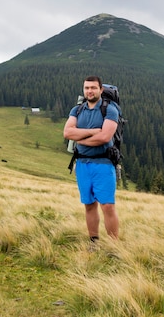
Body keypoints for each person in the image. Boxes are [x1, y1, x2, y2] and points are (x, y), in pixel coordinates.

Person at [63, 75, 120, 242]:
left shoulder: (109, 110)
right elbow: (67, 133)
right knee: (89, 204)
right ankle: (93, 241)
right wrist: (94, 131)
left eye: (93, 88)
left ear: (101, 90)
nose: (89, 91)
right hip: (82, 163)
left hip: (103, 163)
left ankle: (113, 245)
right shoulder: (77, 110)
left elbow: (105, 137)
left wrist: (79, 138)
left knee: (108, 205)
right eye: (87, 88)